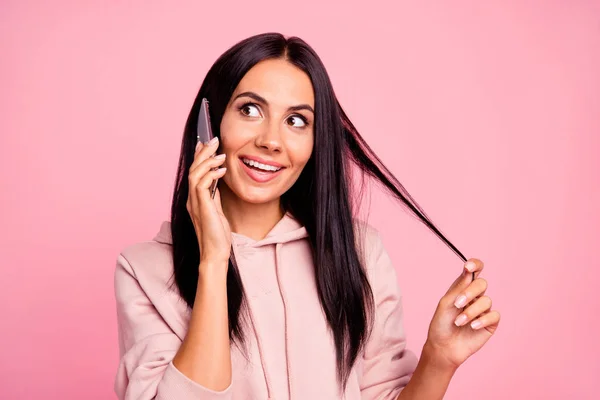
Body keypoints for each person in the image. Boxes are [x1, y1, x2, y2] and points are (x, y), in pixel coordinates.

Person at [113, 32, 500, 400]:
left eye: (297, 120)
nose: (271, 140)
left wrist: (438, 358)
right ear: (209, 123)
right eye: (249, 109)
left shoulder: (360, 252)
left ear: (317, 142)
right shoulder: (144, 269)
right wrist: (214, 261)